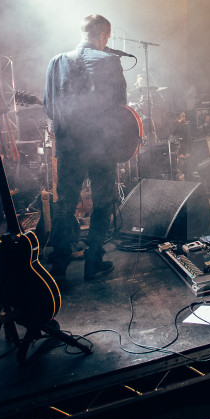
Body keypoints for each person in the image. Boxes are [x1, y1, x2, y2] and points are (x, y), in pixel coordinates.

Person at [42, 14, 127, 285]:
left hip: (68, 145)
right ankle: (93, 263)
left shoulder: (57, 62)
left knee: (65, 204)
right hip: (101, 144)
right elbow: (121, 107)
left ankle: (59, 266)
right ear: (103, 36)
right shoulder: (111, 62)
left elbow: (48, 106)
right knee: (103, 202)